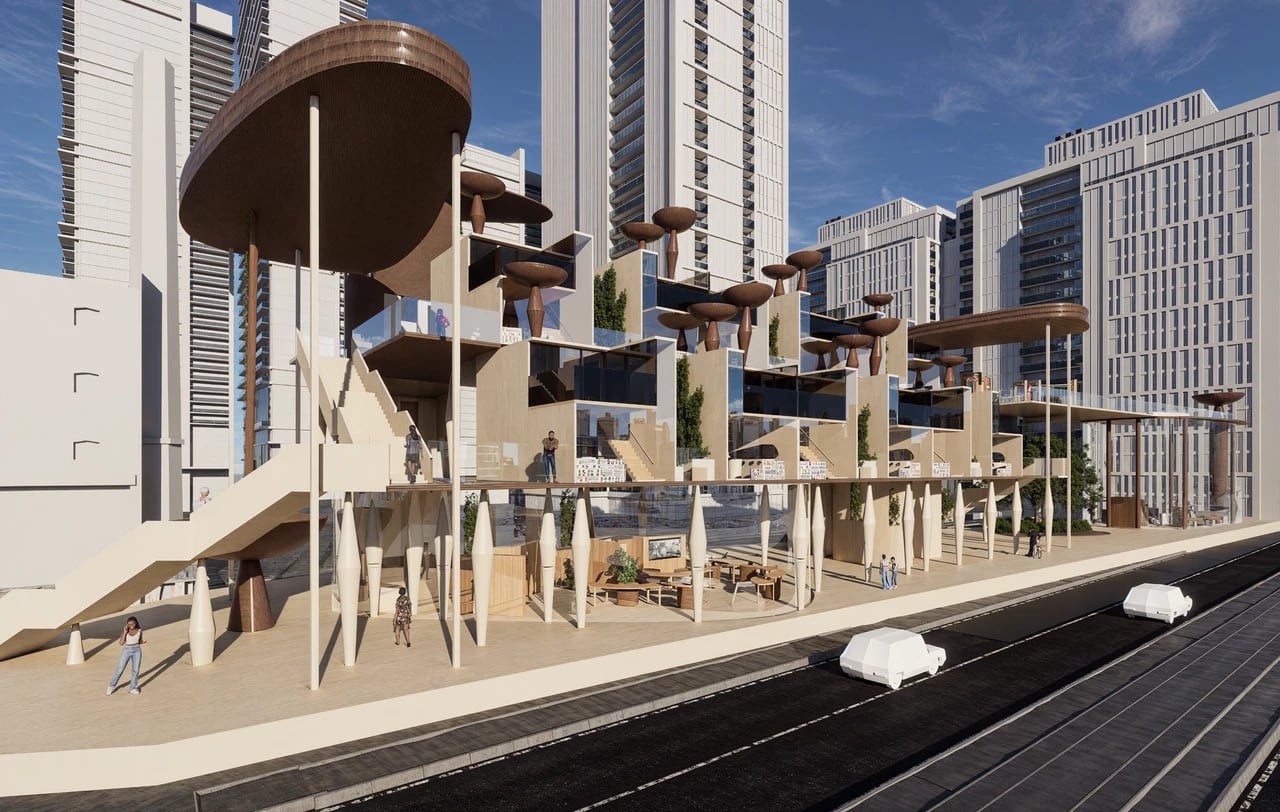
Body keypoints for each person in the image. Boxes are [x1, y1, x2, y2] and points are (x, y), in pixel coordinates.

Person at [107, 616, 146, 696]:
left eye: (132, 623)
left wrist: (143, 642)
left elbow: (140, 641)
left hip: (137, 650)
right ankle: (111, 686)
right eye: (129, 624)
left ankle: (132, 688)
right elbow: (121, 643)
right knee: (120, 669)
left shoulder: (139, 631)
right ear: (127, 624)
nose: (131, 625)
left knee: (135, 671)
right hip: (127, 650)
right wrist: (124, 632)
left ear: (136, 623)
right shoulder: (126, 631)